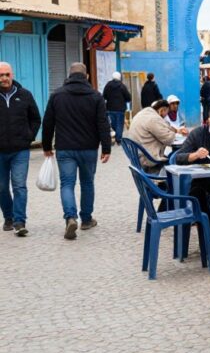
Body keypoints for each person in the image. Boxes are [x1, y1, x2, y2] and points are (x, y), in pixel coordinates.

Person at [42, 62, 111, 240]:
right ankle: (86, 219)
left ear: (69, 75)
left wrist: (47, 146)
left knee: (67, 184)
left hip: (65, 149)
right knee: (87, 183)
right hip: (88, 149)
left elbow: (48, 122)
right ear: (86, 76)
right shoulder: (96, 96)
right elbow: (103, 123)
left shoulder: (57, 95)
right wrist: (106, 147)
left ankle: (70, 217)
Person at [0, 62, 41, 237]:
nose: (4, 78)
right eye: (1, 75)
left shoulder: (25, 95)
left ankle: (19, 221)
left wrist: (29, 137)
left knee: (19, 186)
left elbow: (36, 118)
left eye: (7, 74)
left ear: (12, 75)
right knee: (1, 187)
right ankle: (8, 217)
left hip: (20, 150)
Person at [127, 100, 180, 173]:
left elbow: (161, 127)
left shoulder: (143, 113)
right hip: (147, 158)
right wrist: (174, 133)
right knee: (175, 158)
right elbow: (168, 139)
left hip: (136, 156)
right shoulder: (154, 119)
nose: (165, 116)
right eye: (166, 113)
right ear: (162, 110)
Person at [102, 71, 131, 145]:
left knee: (112, 124)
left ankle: (114, 136)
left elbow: (104, 95)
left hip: (110, 108)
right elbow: (128, 97)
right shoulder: (122, 86)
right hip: (120, 109)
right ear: (119, 78)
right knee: (119, 124)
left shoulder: (108, 85)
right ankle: (118, 139)